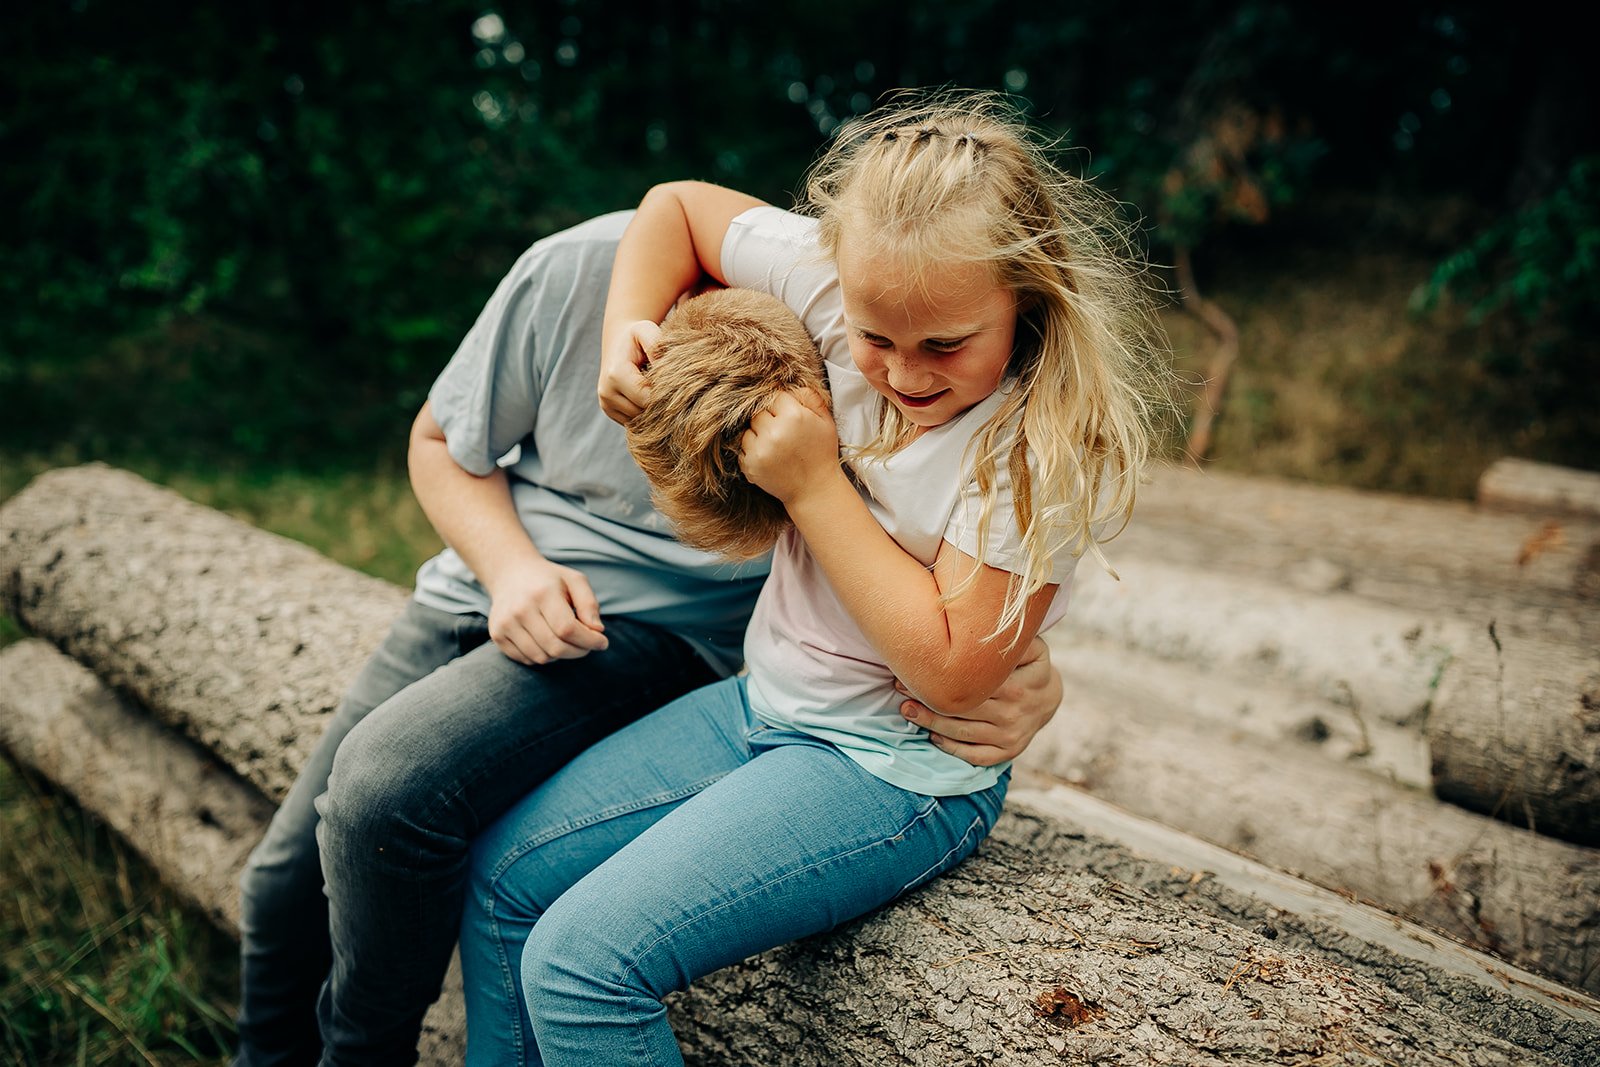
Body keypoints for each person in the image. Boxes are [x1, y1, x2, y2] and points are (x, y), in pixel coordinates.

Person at [232, 209, 1066, 1064]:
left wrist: (1030, 672)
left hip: (661, 636)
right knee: (279, 891)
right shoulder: (572, 272)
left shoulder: (849, 329)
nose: (899, 364)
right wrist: (512, 571)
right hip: (486, 582)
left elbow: (948, 567)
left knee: (389, 792)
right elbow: (439, 440)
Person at [458, 90, 1169, 1065]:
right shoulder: (843, 281)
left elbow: (952, 672)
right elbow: (672, 207)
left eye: (944, 345)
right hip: (760, 707)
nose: (903, 372)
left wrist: (813, 486)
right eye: (876, 337)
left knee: (584, 963)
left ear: (1026, 297)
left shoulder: (1032, 441)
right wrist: (626, 325)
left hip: (889, 768)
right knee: (504, 878)